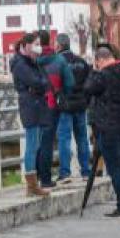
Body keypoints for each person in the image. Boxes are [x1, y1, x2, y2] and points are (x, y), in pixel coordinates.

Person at [85, 45, 120, 218]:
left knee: (115, 167)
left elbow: (88, 88)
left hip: (108, 126)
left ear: (99, 60)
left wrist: (94, 72)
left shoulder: (103, 75)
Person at [10, 34, 52, 197]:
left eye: (39, 44)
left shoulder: (32, 62)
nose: (38, 48)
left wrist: (40, 85)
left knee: (37, 144)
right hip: (30, 107)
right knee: (32, 145)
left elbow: (46, 81)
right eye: (35, 44)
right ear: (26, 46)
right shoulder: (20, 63)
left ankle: (33, 184)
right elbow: (36, 82)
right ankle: (32, 185)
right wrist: (39, 85)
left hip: (37, 105)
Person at [35, 32, 73, 189]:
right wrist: (61, 93)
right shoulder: (59, 59)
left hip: (35, 105)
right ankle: (45, 178)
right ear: (50, 42)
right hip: (52, 104)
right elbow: (70, 83)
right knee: (48, 142)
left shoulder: (32, 60)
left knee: (35, 141)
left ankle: (34, 175)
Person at [54, 34, 93, 181]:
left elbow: (54, 84)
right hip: (80, 105)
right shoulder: (81, 62)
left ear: (58, 45)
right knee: (82, 138)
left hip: (65, 105)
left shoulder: (57, 62)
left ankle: (65, 172)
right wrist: (85, 100)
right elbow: (89, 84)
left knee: (64, 139)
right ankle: (86, 171)